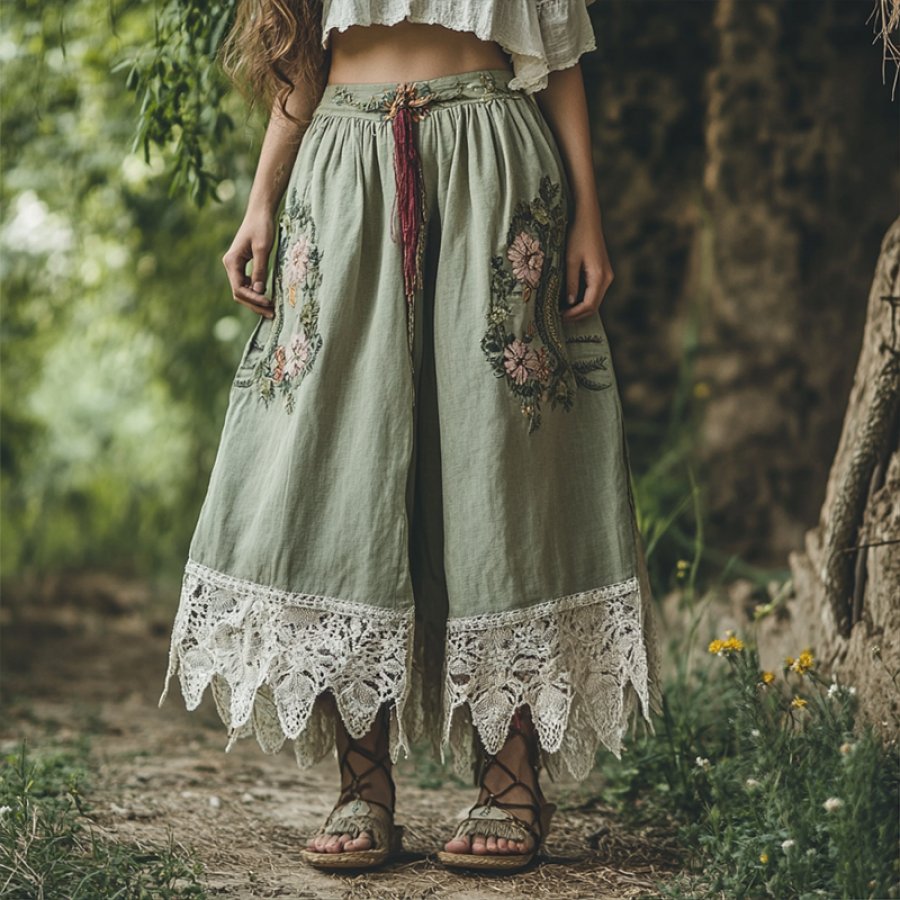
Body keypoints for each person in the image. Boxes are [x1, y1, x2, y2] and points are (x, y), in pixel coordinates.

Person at [158, 0, 664, 874]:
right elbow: (299, 63)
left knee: (499, 454)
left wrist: (588, 213)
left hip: (494, 163)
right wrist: (260, 202)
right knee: (338, 458)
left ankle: (511, 777)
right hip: (344, 164)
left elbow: (559, 59)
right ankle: (363, 782)